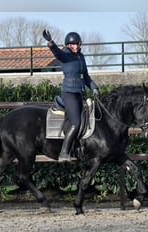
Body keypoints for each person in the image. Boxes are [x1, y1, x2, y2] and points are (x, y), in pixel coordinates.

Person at [43, 29, 99, 162]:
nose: (75, 46)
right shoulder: (66, 54)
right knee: (76, 122)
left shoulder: (81, 57)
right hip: (69, 94)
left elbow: (85, 76)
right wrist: (51, 43)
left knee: (85, 119)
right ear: (68, 45)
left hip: (79, 93)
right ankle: (64, 152)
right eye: (72, 44)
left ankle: (77, 149)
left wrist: (94, 87)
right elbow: (57, 53)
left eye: (77, 44)